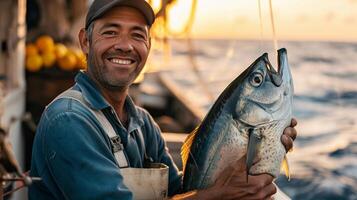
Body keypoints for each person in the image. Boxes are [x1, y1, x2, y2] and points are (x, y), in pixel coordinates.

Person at [28, 0, 298, 199]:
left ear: (148, 47)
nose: (125, 44)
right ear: (85, 42)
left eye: (137, 34)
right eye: (110, 32)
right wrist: (219, 194)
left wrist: (250, 159)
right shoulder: (68, 120)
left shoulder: (143, 124)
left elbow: (181, 192)